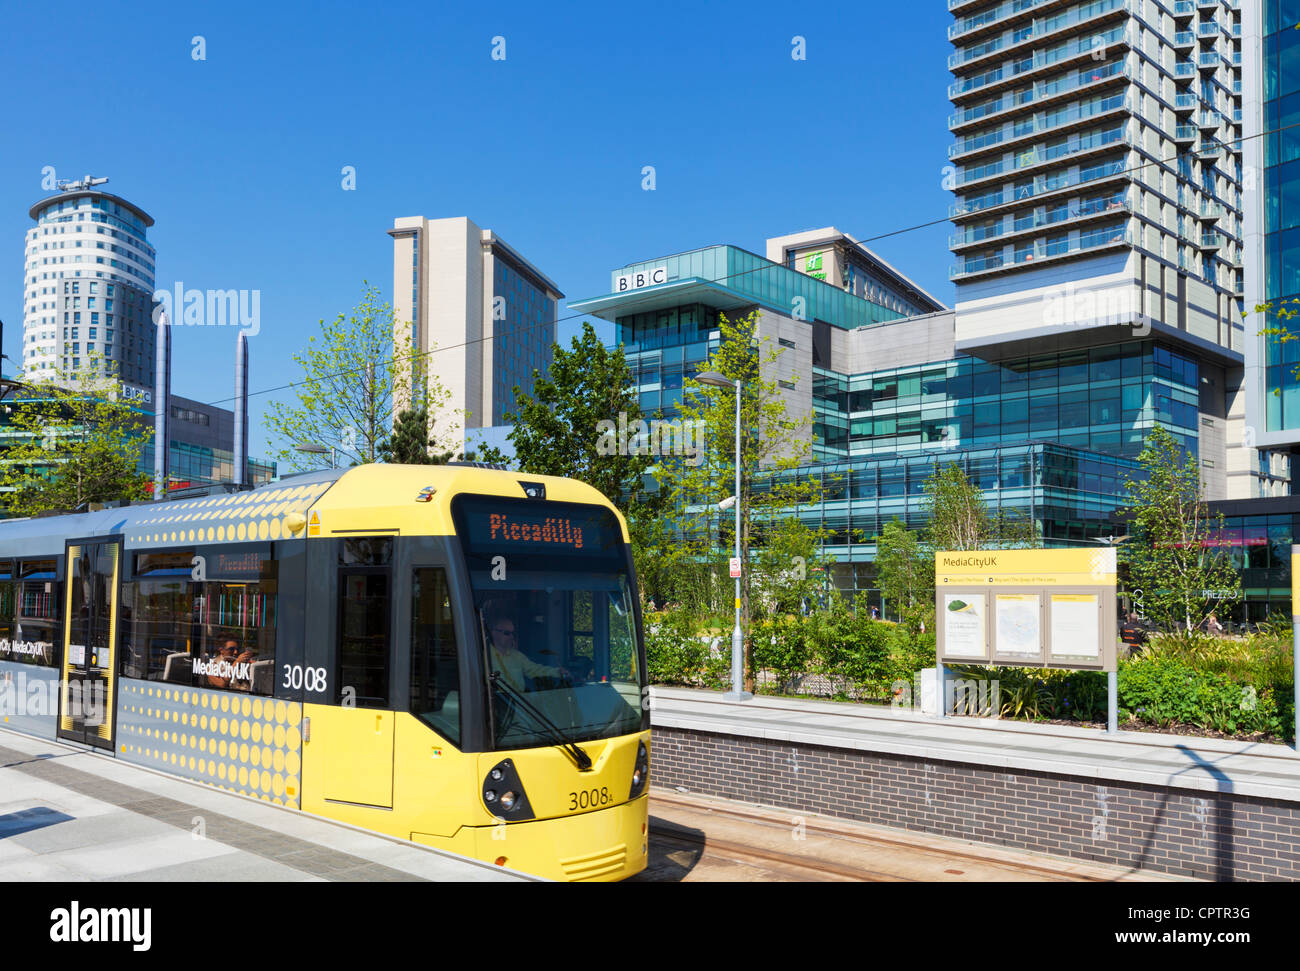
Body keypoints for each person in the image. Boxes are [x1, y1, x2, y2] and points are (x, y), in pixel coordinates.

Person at [485, 613, 568, 692]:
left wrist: (557, 672)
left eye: (512, 633)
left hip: (520, 702)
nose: (511, 637)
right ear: (493, 632)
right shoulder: (484, 656)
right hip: (496, 702)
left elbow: (535, 670)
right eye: (507, 633)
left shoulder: (517, 656)